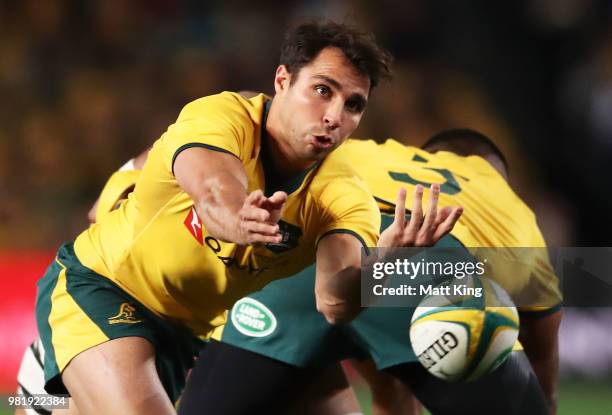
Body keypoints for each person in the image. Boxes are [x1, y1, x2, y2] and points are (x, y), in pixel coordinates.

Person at [35, 20, 462, 414]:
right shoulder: (222, 117)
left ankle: (37, 393)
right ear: (282, 81)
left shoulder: (345, 196)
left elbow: (333, 302)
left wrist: (382, 262)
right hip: (104, 287)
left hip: (187, 333)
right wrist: (239, 219)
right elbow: (213, 189)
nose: (334, 115)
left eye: (353, 104)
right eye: (322, 90)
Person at [177, 129, 562, 415]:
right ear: (496, 170)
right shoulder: (508, 205)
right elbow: (542, 343)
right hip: (420, 260)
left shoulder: (368, 152)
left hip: (302, 264)